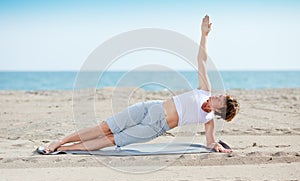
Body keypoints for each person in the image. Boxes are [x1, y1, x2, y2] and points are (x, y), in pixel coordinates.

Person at [40, 15, 239, 154]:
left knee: (111, 140)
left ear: (220, 109)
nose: (216, 96)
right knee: (104, 128)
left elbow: (211, 140)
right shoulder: (204, 90)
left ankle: (64, 150)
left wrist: (215, 146)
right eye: (219, 95)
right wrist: (204, 35)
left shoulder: (208, 119)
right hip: (150, 106)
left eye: (219, 99)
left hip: (154, 127)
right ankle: (61, 141)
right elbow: (201, 60)